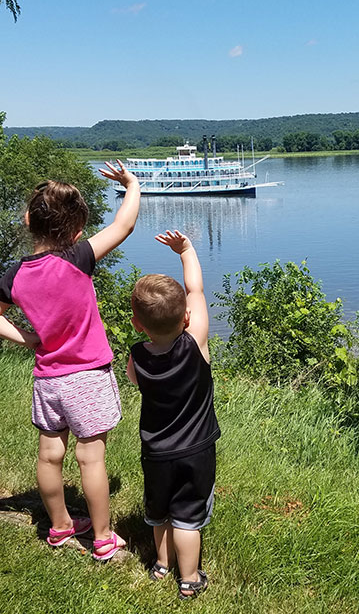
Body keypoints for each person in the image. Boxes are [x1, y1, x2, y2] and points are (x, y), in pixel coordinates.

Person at [0, 160, 140, 560]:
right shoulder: (77, 258)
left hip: (48, 379)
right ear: (78, 232)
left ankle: (60, 526)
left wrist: (29, 339)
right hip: (87, 378)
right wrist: (131, 184)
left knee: (49, 454)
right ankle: (102, 536)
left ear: (27, 220)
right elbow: (124, 225)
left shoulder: (13, 275)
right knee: (90, 457)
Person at [126, 229, 220, 599]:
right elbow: (195, 291)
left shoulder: (137, 356)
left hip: (156, 451)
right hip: (196, 450)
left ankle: (161, 565)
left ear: (138, 324)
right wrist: (186, 251)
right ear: (186, 318)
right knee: (187, 516)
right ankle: (190, 578)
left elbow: (136, 381)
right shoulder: (195, 343)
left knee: (159, 511)